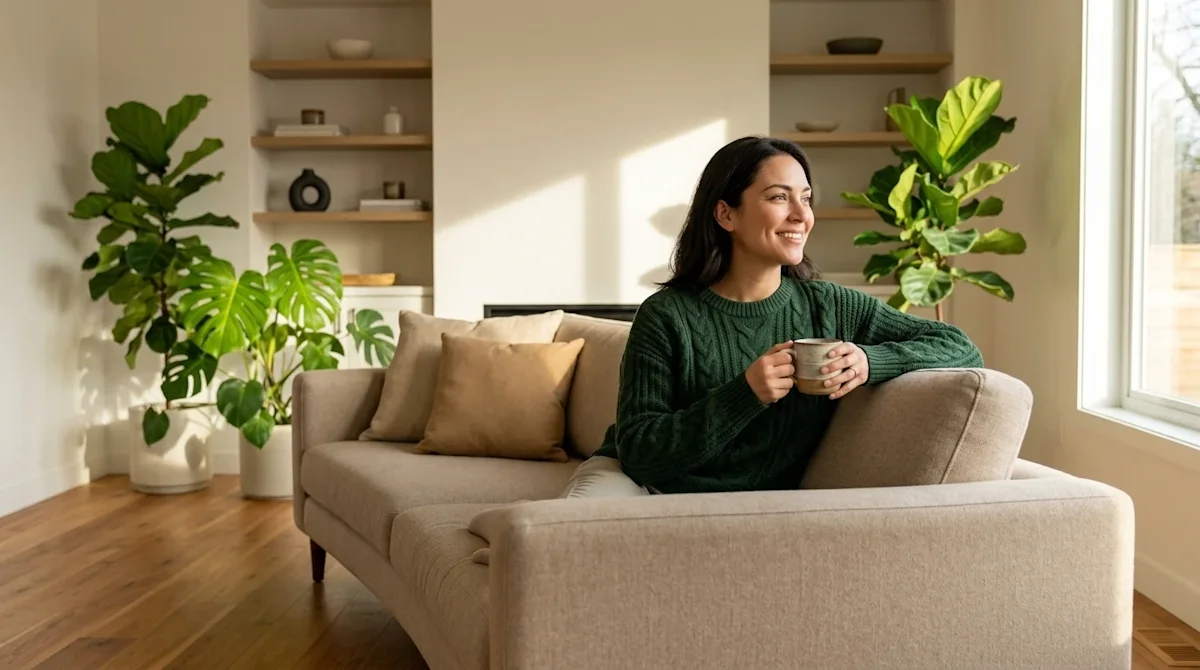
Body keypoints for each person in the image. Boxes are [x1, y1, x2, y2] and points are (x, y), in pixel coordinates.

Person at [587, 135, 984, 495]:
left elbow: (960, 347)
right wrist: (744, 395)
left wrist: (869, 361)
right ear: (726, 215)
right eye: (779, 197)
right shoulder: (667, 315)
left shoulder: (830, 306)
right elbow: (639, 451)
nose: (801, 215)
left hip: (771, 514)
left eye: (806, 198)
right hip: (647, 489)